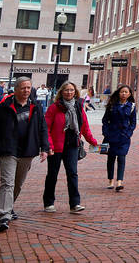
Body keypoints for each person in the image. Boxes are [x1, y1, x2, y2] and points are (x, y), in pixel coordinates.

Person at [0, 77, 50, 232]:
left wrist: (44, 148)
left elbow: (43, 128)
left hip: (27, 150)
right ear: (16, 89)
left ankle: (9, 206)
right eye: (23, 88)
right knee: (7, 182)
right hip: (8, 149)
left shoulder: (36, 106)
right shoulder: (4, 106)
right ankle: (4, 216)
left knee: (18, 183)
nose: (26, 91)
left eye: (28, 88)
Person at [43, 82, 98, 214]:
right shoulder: (54, 108)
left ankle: (75, 204)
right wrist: (48, 145)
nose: (69, 92)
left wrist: (93, 141)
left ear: (75, 92)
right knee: (52, 175)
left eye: (71, 90)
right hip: (55, 147)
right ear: (61, 92)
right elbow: (46, 128)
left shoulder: (78, 107)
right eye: (66, 90)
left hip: (72, 145)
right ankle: (48, 203)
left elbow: (84, 127)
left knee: (72, 174)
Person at [101, 85, 137, 191]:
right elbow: (105, 120)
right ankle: (110, 180)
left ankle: (120, 181)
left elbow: (133, 122)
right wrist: (106, 132)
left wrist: (128, 133)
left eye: (126, 92)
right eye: (122, 92)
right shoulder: (112, 105)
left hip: (124, 136)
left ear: (129, 94)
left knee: (121, 157)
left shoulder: (131, 107)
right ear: (118, 93)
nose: (124, 94)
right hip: (111, 135)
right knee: (111, 158)